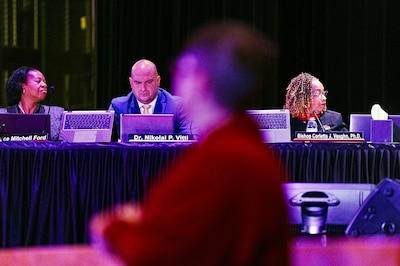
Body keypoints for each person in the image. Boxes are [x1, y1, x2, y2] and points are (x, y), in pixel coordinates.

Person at [90, 21, 290, 265]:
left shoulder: (219, 161)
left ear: (200, 81)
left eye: (180, 71)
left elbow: (153, 253)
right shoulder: (248, 148)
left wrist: (111, 227)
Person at [108, 59, 193, 140]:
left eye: (148, 82)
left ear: (158, 81)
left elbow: (192, 139)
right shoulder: (118, 107)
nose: (143, 88)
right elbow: (103, 143)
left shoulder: (178, 106)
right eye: (138, 82)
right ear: (131, 82)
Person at [0, 66, 64, 141]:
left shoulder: (57, 113)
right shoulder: (2, 114)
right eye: (38, 81)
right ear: (23, 86)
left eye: (45, 82)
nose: (44, 85)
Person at [283, 72, 348, 139]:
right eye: (317, 93)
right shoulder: (286, 122)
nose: (324, 98)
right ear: (303, 97)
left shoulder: (334, 119)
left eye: (323, 93)